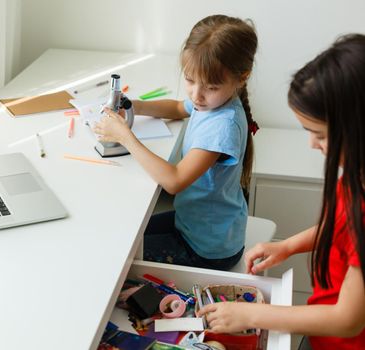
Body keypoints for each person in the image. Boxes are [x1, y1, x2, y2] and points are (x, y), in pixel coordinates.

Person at [198, 34, 365, 349]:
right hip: (321, 331)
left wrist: (253, 315)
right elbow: (342, 228)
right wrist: (288, 245)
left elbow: (348, 319)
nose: (312, 144)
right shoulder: (356, 175)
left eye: (320, 134)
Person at [93, 14, 259, 271]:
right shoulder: (214, 102)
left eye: (210, 87)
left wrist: (124, 136)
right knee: (122, 233)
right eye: (190, 81)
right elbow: (179, 107)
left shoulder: (222, 126)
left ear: (242, 77)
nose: (197, 94)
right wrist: (133, 104)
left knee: (117, 257)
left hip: (206, 249)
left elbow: (174, 181)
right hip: (194, 224)